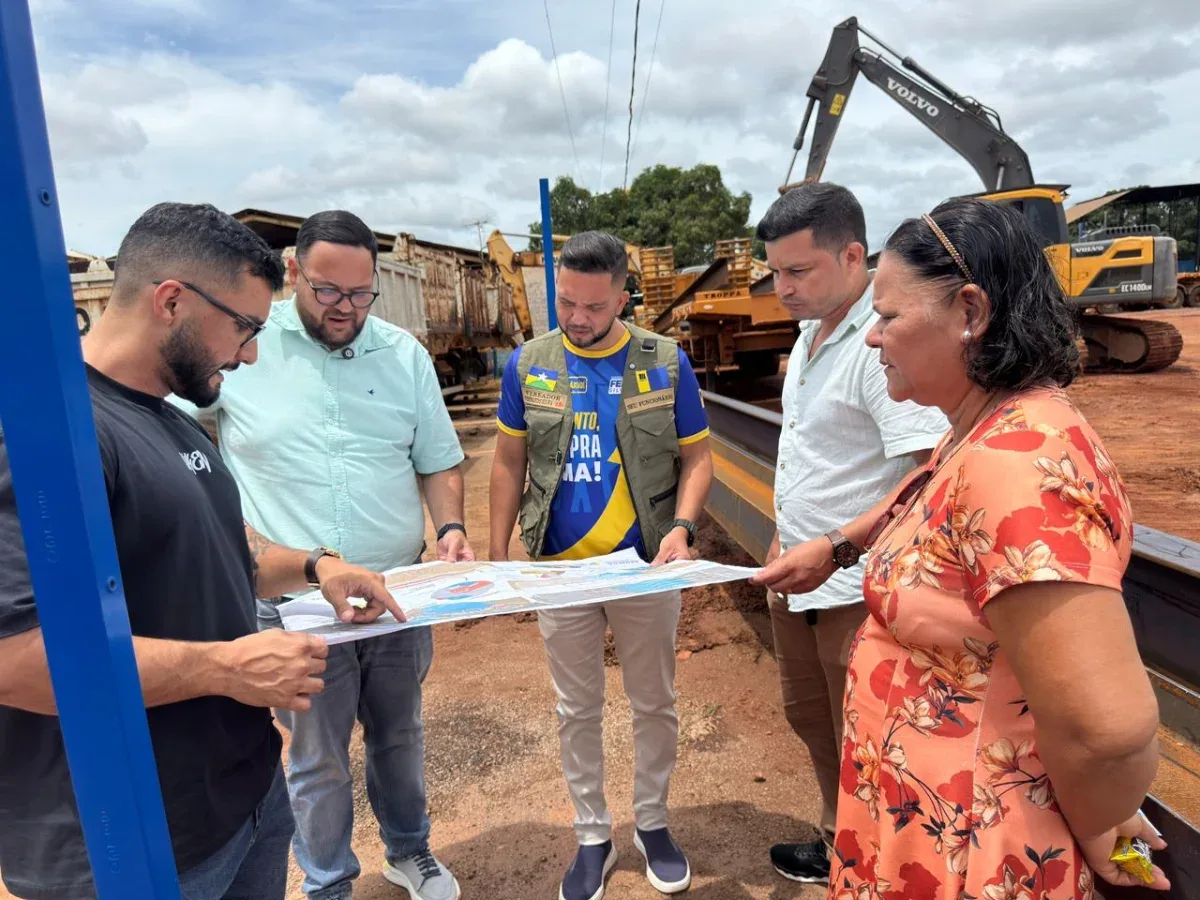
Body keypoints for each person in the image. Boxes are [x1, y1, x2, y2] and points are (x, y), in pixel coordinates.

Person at [754, 196, 1169, 898]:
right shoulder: (978, 431)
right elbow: (926, 491)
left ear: (970, 312)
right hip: (930, 824)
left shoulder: (1017, 465)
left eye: (889, 317)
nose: (872, 338)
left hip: (973, 850)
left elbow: (1107, 733)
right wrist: (838, 545)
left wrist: (1096, 820)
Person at [0, 201, 400, 900]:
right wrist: (225, 668)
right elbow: (16, 660)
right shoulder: (48, 435)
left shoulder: (170, 421)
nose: (249, 354)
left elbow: (224, 550)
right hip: (134, 847)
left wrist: (317, 566)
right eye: (244, 327)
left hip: (241, 805)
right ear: (171, 301)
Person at [173, 209, 470, 900]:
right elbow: (173, 432)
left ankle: (410, 851)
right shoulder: (244, 345)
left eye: (361, 294)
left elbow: (437, 460)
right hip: (295, 603)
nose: (346, 309)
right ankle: (329, 881)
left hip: (396, 592)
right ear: (295, 273)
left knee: (400, 734)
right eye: (329, 291)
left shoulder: (404, 356)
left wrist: (451, 526)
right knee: (315, 758)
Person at [488, 230, 713, 900]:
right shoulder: (529, 363)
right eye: (567, 302)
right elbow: (508, 462)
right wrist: (498, 559)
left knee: (654, 702)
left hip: (644, 566)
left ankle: (652, 824)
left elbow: (698, 458)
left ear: (622, 297)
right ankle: (592, 835)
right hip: (561, 573)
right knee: (576, 708)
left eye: (593, 305)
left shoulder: (663, 361)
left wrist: (682, 528)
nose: (578, 318)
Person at [751, 183, 949, 885]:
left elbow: (929, 470)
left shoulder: (879, 344)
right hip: (799, 575)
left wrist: (837, 546)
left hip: (855, 589)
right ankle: (839, 843)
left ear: (853, 255)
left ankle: (878, 868)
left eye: (797, 271)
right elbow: (814, 452)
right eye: (775, 271)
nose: (782, 287)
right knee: (812, 718)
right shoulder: (811, 334)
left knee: (870, 734)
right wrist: (785, 532)